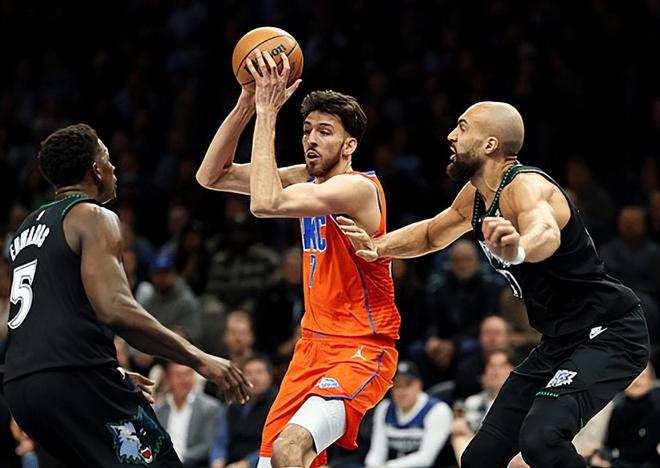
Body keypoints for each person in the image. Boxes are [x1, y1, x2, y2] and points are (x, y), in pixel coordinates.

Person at [338, 101, 650, 467]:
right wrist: (378, 247)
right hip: (560, 340)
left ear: (490, 145)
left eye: (462, 127)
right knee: (479, 458)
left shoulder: (526, 186)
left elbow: (546, 231)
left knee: (542, 440)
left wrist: (518, 248)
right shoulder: (476, 197)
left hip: (610, 331)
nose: (451, 136)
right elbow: (431, 234)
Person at [1, 123, 250, 467]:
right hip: (72, 377)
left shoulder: (27, 226)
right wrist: (198, 358)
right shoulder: (92, 216)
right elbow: (115, 309)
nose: (114, 166)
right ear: (95, 169)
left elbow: (52, 313)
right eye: (107, 158)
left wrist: (108, 375)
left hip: (22, 389)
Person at [196, 51, 400, 468]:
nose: (311, 139)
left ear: (349, 145)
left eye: (324, 132)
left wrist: (268, 112)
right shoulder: (305, 180)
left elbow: (265, 203)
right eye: (307, 130)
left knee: (289, 450)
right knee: (271, 462)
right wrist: (246, 104)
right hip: (310, 348)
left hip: (359, 347)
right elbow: (210, 176)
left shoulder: (357, 189)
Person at [364, 360, 456, 468]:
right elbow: (377, 451)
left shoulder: (438, 410)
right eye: (397, 385)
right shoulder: (385, 408)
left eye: (407, 385)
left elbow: (426, 458)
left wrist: (386, 467)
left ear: (419, 385)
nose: (402, 391)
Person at [155, 363, 222, 467]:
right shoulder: (160, 409)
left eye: (187, 374)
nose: (184, 380)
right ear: (168, 379)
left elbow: (208, 445)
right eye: (178, 375)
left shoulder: (210, 407)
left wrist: (177, 458)